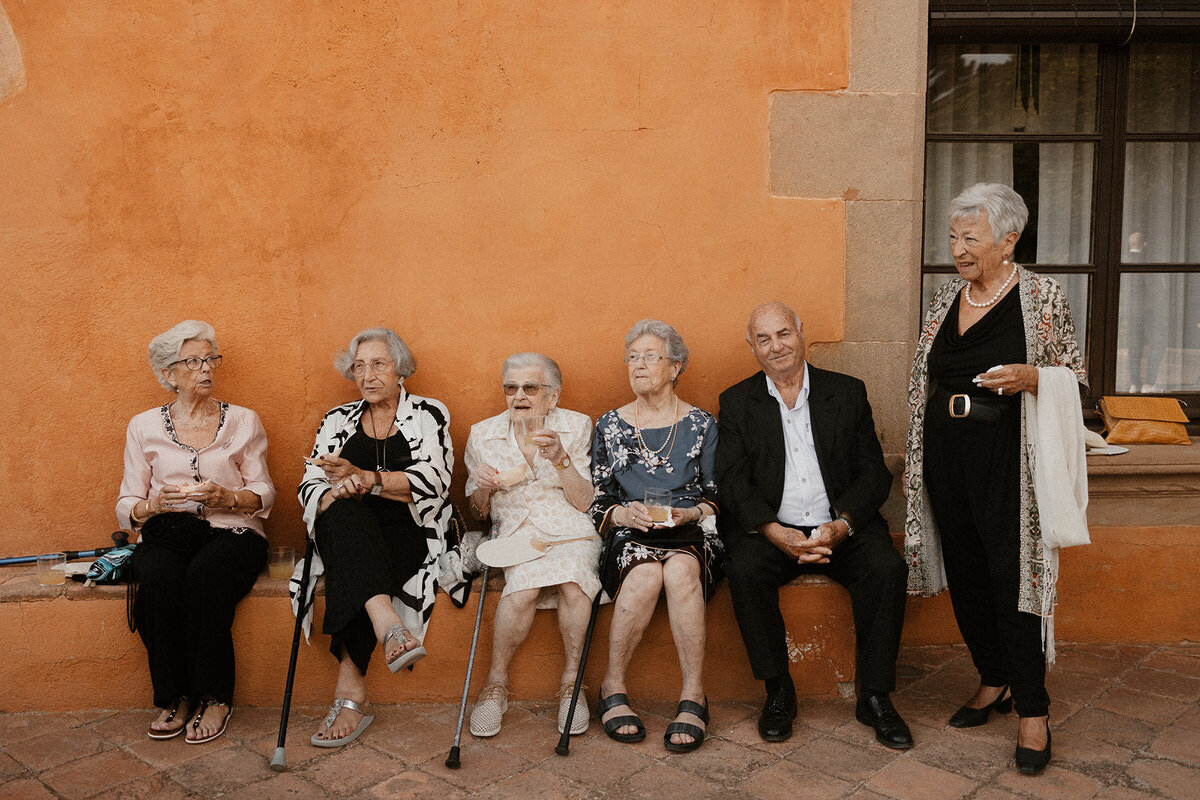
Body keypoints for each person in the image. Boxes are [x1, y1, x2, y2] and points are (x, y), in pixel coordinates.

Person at [905, 183, 1087, 774]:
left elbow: (1076, 382)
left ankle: (1033, 710)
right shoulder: (942, 301)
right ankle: (993, 678)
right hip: (946, 456)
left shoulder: (1041, 297)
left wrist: (1036, 377)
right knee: (967, 572)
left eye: (972, 238)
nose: (959, 249)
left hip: (1010, 457)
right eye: (954, 237)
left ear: (1009, 240)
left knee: (1014, 578)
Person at [715, 302, 912, 750]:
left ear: (801, 334)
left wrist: (842, 525)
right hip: (773, 531)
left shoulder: (845, 392)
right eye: (763, 339)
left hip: (839, 527)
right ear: (752, 347)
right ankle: (778, 691)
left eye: (783, 333)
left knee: (887, 570)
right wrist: (771, 530)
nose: (776, 346)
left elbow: (874, 473)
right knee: (744, 571)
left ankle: (875, 695)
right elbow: (731, 479)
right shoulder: (737, 401)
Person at [298, 328, 466, 747]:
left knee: (354, 561)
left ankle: (351, 694)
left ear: (399, 369)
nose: (368, 375)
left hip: (410, 525)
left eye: (378, 364)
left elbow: (435, 481)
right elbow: (309, 485)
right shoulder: (337, 419)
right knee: (346, 523)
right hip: (346, 523)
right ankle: (388, 623)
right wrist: (338, 488)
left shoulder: (430, 413)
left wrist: (367, 479)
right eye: (359, 366)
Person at [118, 320, 275, 744]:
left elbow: (264, 490)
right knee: (160, 578)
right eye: (193, 361)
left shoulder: (243, 420)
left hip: (234, 532)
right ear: (168, 374)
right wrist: (151, 506)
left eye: (210, 359)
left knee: (206, 577)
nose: (206, 368)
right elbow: (126, 503)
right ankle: (176, 696)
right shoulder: (142, 427)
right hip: (169, 531)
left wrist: (229, 498)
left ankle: (214, 695)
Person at [591, 319, 721, 754]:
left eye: (651, 356)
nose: (639, 365)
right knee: (645, 575)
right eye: (632, 357)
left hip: (687, 532)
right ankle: (613, 684)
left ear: (675, 367)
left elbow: (718, 496)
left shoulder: (702, 424)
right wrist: (623, 514)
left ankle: (694, 694)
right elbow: (599, 499)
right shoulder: (609, 425)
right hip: (630, 535)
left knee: (682, 570)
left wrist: (692, 512)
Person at [464, 353, 600, 738]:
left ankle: (572, 682)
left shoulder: (576, 427)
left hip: (571, 527)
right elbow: (477, 512)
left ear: (552, 396)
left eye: (530, 387)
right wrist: (484, 489)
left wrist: (560, 460)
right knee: (521, 589)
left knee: (575, 581)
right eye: (511, 387)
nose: (519, 395)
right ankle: (496, 685)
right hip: (517, 532)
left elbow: (585, 501)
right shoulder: (482, 433)